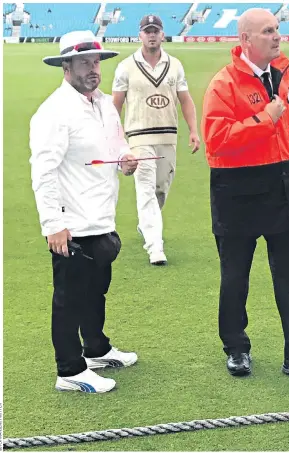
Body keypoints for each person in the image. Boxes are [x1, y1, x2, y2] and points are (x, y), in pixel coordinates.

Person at [201, 9, 289, 378]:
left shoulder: (287, 77)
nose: (277, 36)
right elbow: (217, 141)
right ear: (246, 39)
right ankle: (236, 348)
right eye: (267, 31)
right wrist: (266, 118)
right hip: (237, 191)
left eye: (277, 29)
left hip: (283, 185)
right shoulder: (224, 83)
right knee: (236, 276)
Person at [30, 30, 139, 393]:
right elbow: (43, 172)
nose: (93, 69)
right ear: (66, 66)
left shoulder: (105, 103)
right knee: (69, 298)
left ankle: (96, 349)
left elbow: (115, 142)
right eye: (84, 63)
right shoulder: (54, 113)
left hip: (101, 217)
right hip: (71, 224)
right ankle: (70, 371)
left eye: (96, 62)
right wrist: (54, 224)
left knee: (96, 291)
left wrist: (124, 157)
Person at [112, 15, 200, 266]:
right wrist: (114, 138)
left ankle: (146, 224)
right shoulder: (126, 67)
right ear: (140, 35)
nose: (151, 35)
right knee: (146, 189)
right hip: (139, 137)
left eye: (156, 31)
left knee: (160, 189)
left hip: (167, 136)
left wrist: (193, 130)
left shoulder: (175, 65)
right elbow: (115, 105)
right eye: (147, 31)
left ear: (162, 35)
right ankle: (155, 246)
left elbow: (185, 100)